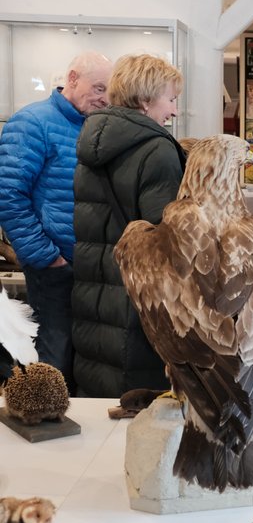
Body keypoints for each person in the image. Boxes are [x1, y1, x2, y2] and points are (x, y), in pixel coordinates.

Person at [72, 54, 187, 397]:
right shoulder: (156, 150)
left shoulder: (91, 141)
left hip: (93, 288)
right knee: (138, 402)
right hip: (138, 301)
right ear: (144, 99)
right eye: (171, 99)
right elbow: (163, 242)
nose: (174, 111)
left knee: (101, 398)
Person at [0, 52, 113, 392]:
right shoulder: (32, 123)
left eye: (110, 90)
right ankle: (44, 431)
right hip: (54, 265)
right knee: (55, 353)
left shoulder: (96, 126)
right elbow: (8, 194)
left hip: (90, 267)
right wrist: (46, 256)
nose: (104, 97)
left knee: (83, 357)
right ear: (73, 78)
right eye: (98, 87)